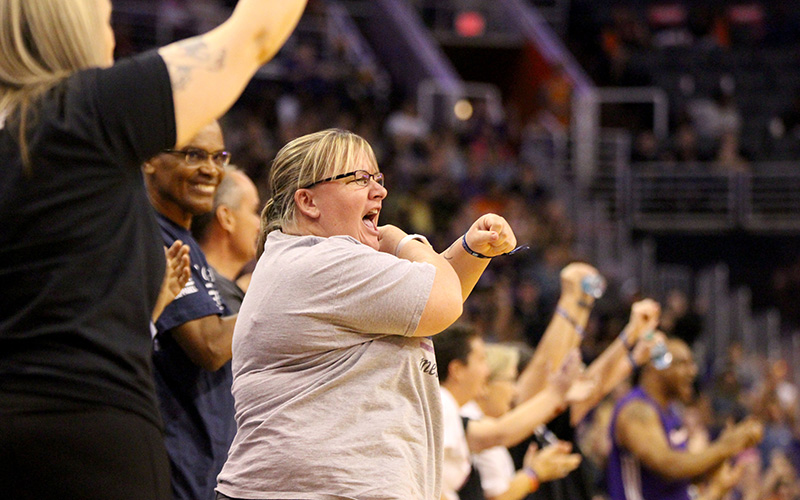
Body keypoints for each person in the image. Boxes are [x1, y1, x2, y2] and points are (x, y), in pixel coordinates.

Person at [0, 1, 307, 498]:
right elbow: (254, 35)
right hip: (92, 432)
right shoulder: (87, 109)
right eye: (103, 16)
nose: (114, 34)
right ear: (70, 27)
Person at [215, 128, 519, 500]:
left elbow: (434, 302)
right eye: (360, 180)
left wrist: (472, 250)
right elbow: (441, 301)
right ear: (308, 202)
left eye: (378, 178)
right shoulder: (322, 261)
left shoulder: (309, 260)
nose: (380, 191)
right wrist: (398, 239)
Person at [143, 120, 239, 500]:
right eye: (194, 154)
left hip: (203, 467)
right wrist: (283, 293)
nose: (211, 169)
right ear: (150, 158)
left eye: (219, 157)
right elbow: (209, 346)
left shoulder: (182, 239)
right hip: (176, 467)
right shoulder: (155, 236)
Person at [607, 337, 764, 500]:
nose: (693, 371)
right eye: (683, 363)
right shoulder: (635, 410)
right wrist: (725, 446)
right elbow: (667, 465)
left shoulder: (672, 414)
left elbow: (682, 475)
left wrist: (717, 478)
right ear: (657, 366)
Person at [453, 337, 585, 500]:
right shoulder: (466, 416)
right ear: (487, 384)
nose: (515, 391)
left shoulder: (475, 418)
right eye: (510, 380)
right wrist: (534, 474)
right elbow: (496, 498)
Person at [192, 166, 261, 312]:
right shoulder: (215, 294)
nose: (260, 224)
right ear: (226, 218)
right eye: (254, 211)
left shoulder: (202, 283)